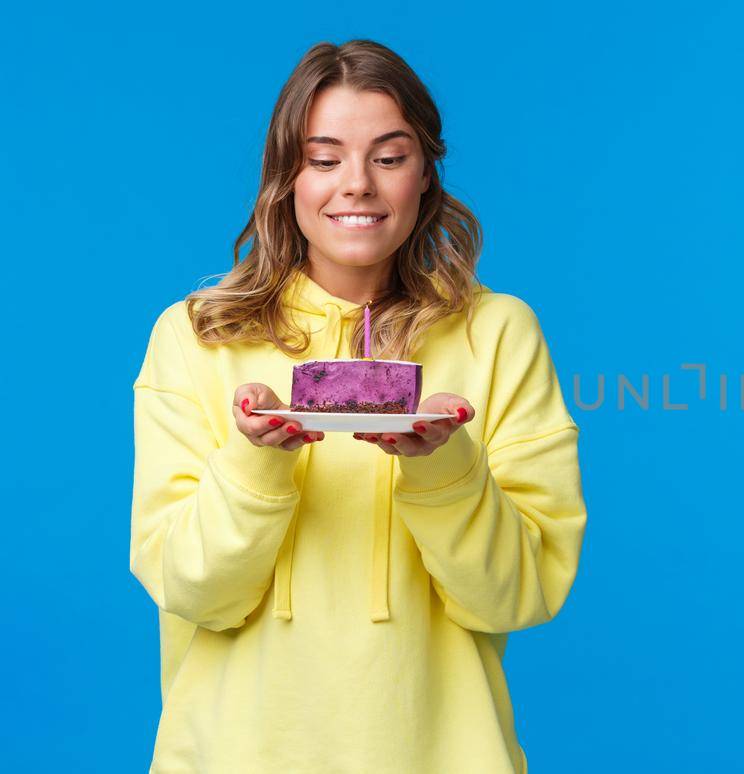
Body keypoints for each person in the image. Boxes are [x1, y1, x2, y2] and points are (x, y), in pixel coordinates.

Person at [129, 39, 586, 773]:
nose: (357, 186)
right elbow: (193, 593)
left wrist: (446, 468)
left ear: (425, 172)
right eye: (324, 157)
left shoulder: (499, 333)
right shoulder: (195, 337)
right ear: (287, 177)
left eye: (389, 156)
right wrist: (256, 461)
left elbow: (519, 597)